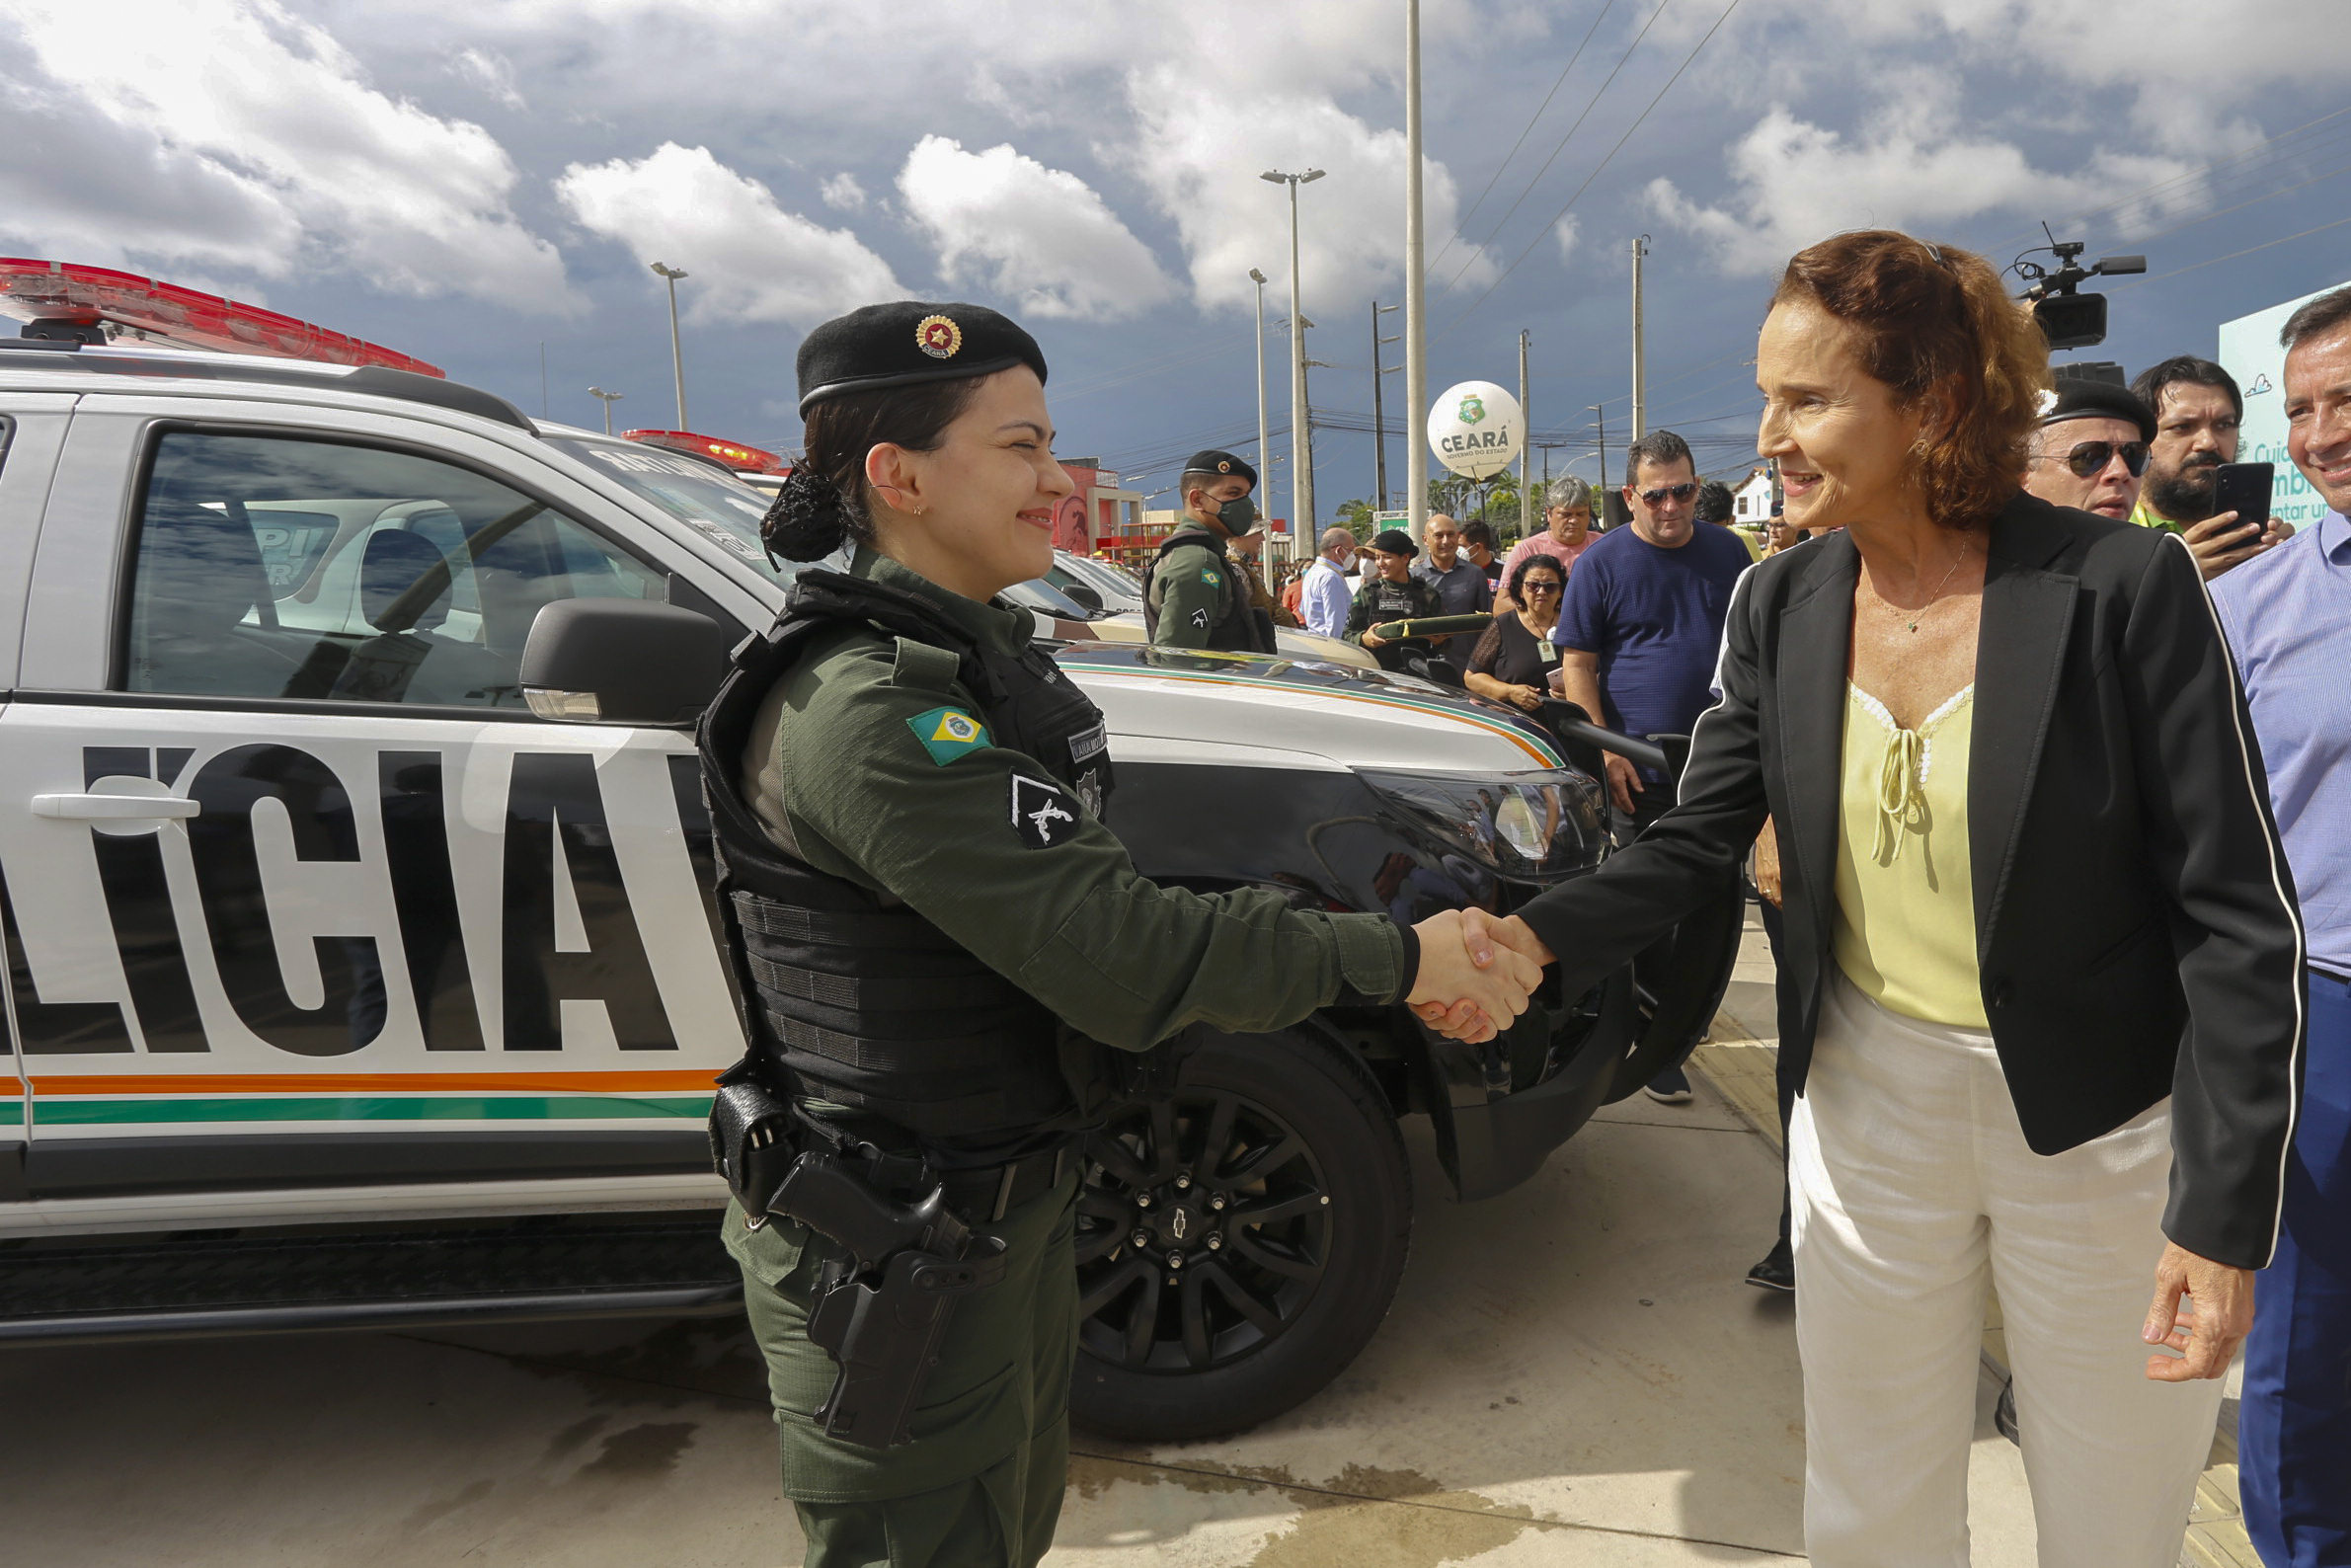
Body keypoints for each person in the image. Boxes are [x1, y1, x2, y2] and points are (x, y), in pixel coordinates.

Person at [1444, 232, 2304, 1568]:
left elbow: (2236, 913)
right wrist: (1530, 937)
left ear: (1936, 402)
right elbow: (1695, 843)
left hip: (2098, 1128)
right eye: (1767, 396)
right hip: (1863, 1105)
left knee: (2113, 1510)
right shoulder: (1781, 597)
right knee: (1868, 1506)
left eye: (1809, 400)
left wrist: (2223, 1207)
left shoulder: (2123, 589)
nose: (1769, 437)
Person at [705, 299, 1540, 1568]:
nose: (1058, 480)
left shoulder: (967, 663)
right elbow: (1126, 955)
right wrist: (1403, 958)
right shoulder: (868, 710)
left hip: (990, 1223)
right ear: (898, 476)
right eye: (1021, 446)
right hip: (895, 1254)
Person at [2212, 282, 2351, 1568]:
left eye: (2345, 400)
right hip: (2324, 1010)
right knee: (2306, 1337)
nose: (2318, 434)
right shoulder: (2251, 607)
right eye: (2300, 408)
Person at [1551, 430, 1752, 1105]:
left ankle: (1680, 1026)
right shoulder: (1600, 563)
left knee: (1710, 909)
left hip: (1720, 766)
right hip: (1637, 766)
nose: (1671, 506)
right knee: (1645, 911)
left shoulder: (1729, 553)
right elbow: (1576, 666)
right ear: (1631, 495)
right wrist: (1606, 748)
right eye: (1656, 494)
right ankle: (1652, 1042)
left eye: (1684, 491)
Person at [2130, 354, 2293, 578]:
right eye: (2182, 426)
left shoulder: (2258, 539)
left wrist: (2294, 571)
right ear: (2141, 441)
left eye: (2224, 425)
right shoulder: (2106, 534)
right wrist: (2173, 578)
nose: (2208, 442)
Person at [1144, 449, 1272, 650]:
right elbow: (1179, 660)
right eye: (1233, 493)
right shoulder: (1197, 563)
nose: (1245, 504)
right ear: (1197, 500)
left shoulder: (1205, 556)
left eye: (1246, 495)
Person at [2020, 381, 2155, 521]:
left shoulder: (2165, 542)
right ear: (2023, 478)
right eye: (2089, 457)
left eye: (2134, 456)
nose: (2121, 472)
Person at [1463, 553, 1564, 710]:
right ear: (1520, 590)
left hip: (1567, 724)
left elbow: (1594, 671)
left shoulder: (1573, 625)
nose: (1541, 592)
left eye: (1550, 586)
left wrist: (1574, 691)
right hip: (1515, 723)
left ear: (1561, 591)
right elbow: (1472, 677)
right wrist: (1509, 692)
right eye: (1533, 585)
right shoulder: (1503, 625)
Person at [1344, 527, 1442, 671]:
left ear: (1405, 558)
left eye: (1387, 557)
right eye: (1377, 557)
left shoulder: (1427, 594)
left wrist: (1438, 640)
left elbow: (1444, 641)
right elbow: (1347, 635)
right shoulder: (1367, 593)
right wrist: (1365, 639)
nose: (1380, 563)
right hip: (1377, 676)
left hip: (1418, 679)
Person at [1497, 477, 1598, 609]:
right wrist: (1544, 614)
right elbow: (1501, 605)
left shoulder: (1605, 546)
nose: (1574, 521)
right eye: (1566, 515)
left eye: (1581, 514)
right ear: (1549, 513)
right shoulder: (1527, 550)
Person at [1411, 512, 1495, 671]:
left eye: (1450, 535)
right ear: (1425, 540)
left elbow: (1487, 623)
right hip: (1425, 666)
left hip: (1466, 666)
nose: (1445, 541)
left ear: (1458, 537)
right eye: (1438, 535)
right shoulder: (1414, 576)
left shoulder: (1475, 574)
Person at [1230, 523, 1297, 628]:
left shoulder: (1245, 565)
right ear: (1238, 535)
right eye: (1258, 532)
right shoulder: (1235, 568)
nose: (1263, 538)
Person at [1299, 526, 1356, 639]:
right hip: (1330, 644)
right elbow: (1336, 623)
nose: (1353, 555)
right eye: (1351, 550)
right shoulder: (1331, 577)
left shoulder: (1312, 572)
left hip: (1316, 638)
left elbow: (1302, 609)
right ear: (1339, 550)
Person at [1698, 478, 1763, 560]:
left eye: (1719, 531)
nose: (1712, 536)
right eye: (1705, 529)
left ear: (1732, 520)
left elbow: (1755, 571)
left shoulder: (1745, 540)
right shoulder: (1681, 542)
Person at [1460, 518, 1504, 596]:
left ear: (1477, 547)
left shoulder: (1506, 571)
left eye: (1462, 546)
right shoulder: (1456, 572)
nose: (1458, 550)